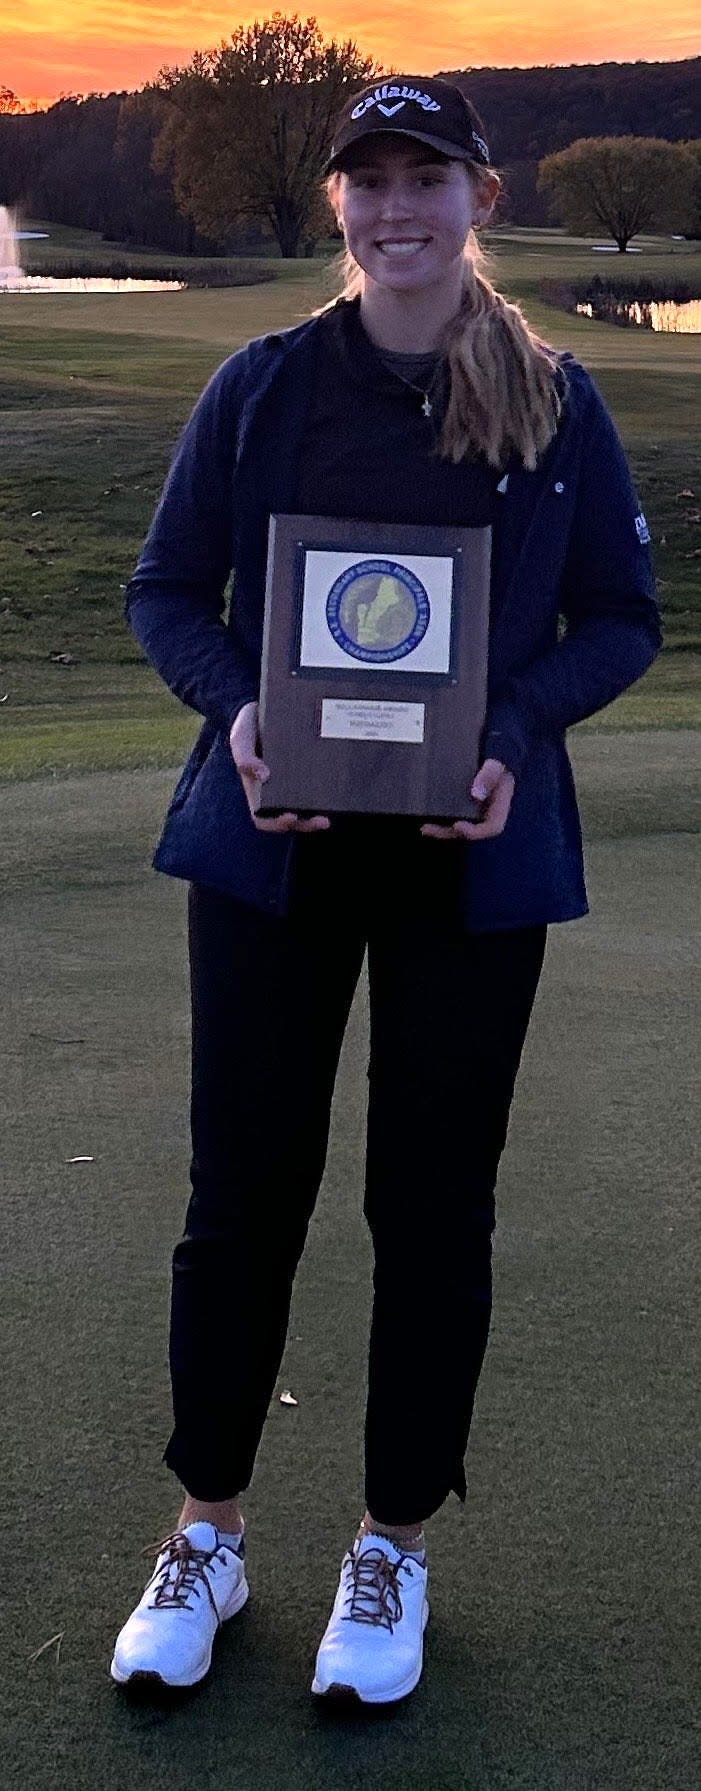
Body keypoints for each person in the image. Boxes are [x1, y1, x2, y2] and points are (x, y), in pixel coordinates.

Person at [110, 75, 661, 1704]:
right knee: (240, 1201)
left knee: (431, 1212)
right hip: (271, 860)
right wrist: (237, 709)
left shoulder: (557, 403)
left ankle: (390, 1545)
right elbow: (166, 593)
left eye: (426, 177)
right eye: (369, 181)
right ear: (338, 207)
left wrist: (502, 732)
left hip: (467, 865)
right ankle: (206, 1530)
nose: (394, 208)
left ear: (478, 198)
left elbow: (620, 618)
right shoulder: (264, 386)